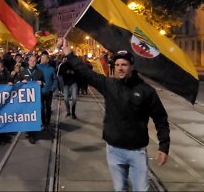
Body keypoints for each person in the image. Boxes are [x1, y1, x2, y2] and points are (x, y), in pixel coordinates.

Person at [60, 39, 170, 191]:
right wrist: (67, 52)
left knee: (141, 189)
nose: (120, 68)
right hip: (114, 150)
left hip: (136, 151)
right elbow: (85, 72)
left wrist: (164, 146)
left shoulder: (146, 90)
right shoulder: (109, 85)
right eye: (117, 65)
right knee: (120, 189)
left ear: (132, 67)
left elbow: (160, 118)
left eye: (124, 65)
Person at [16, 55, 44, 144]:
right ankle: (28, 130)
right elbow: (16, 82)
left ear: (36, 62)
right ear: (28, 62)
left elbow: (44, 83)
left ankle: (32, 134)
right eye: (31, 60)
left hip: (35, 98)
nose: (32, 62)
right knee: (27, 115)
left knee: (34, 115)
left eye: (34, 61)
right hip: (25, 98)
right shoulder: (23, 71)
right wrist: (21, 82)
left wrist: (41, 83)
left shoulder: (39, 72)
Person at [37, 52, 58, 132]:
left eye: (44, 58)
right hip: (40, 92)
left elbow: (55, 79)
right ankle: (43, 123)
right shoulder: (37, 67)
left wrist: (53, 88)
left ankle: (48, 123)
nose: (42, 59)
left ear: (48, 60)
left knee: (48, 107)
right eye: (41, 58)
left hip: (49, 92)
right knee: (41, 108)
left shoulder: (51, 69)